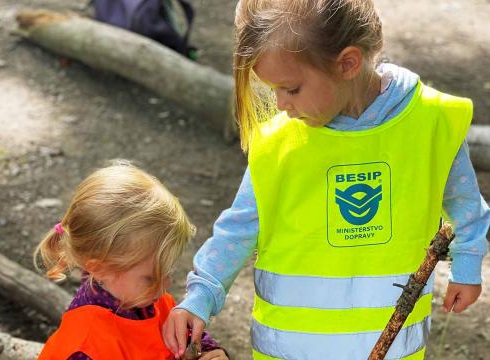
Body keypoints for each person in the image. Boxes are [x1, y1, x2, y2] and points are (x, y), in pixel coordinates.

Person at [162, 1, 490, 359]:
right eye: (273, 90)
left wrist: (468, 264)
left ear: (347, 63)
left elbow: (465, 204)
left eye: (291, 89)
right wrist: (201, 296)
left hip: (392, 349)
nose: (281, 104)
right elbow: (238, 228)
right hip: (290, 352)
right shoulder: (279, 144)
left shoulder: (430, 125)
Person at [35, 161, 228, 360]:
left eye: (168, 272)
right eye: (151, 278)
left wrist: (208, 351)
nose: (165, 286)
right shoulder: (86, 347)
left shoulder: (147, 298)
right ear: (101, 269)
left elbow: (186, 336)